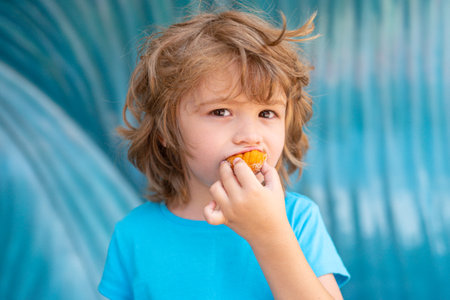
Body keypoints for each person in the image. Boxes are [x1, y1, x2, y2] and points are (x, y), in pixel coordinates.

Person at [98, 9, 350, 300]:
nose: (250, 134)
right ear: (165, 132)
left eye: (266, 113)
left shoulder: (296, 220)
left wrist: (269, 235)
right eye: (220, 111)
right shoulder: (133, 235)